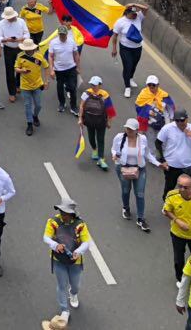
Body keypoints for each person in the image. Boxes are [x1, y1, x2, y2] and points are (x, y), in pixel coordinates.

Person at [43, 198, 92, 326]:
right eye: (61, 211)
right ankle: (64, 310)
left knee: (75, 285)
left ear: (71, 213)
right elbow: (46, 237)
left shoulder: (80, 225)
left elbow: (87, 242)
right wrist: (55, 245)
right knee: (61, 285)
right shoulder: (53, 222)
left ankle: (73, 293)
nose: (63, 215)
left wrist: (78, 252)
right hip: (58, 259)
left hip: (75, 261)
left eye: (65, 212)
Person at [112, 118, 156, 232]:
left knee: (140, 193)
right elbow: (114, 149)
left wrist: (158, 163)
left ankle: (140, 219)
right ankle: (126, 207)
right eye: (127, 128)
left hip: (139, 169)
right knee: (126, 190)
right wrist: (115, 155)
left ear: (137, 130)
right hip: (123, 168)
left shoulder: (143, 139)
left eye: (131, 129)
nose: (128, 131)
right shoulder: (119, 137)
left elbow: (147, 154)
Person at [159, 110, 191, 200]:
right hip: (171, 166)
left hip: (188, 167)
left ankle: (185, 208)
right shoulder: (168, 128)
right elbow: (158, 143)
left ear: (187, 119)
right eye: (177, 120)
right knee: (169, 189)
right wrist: (162, 160)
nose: (179, 123)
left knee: (187, 190)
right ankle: (167, 207)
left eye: (182, 120)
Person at [109, 2, 149, 97]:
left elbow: (146, 8)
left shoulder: (139, 17)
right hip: (125, 48)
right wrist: (114, 49)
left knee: (134, 65)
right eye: (132, 14)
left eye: (135, 13)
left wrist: (135, 4)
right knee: (128, 66)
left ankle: (130, 78)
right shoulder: (120, 22)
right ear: (127, 13)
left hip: (137, 48)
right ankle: (127, 87)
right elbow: (115, 36)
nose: (135, 15)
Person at [13, 38, 49, 136]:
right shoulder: (20, 56)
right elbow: (16, 68)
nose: (28, 50)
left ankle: (35, 116)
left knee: (38, 105)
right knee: (27, 105)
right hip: (25, 86)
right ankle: (29, 124)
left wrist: (46, 81)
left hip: (37, 84)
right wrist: (22, 71)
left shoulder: (39, 56)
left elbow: (46, 67)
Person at [78, 75, 114, 169]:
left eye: (95, 85)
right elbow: (82, 106)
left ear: (100, 85)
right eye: (92, 84)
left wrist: (109, 121)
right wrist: (80, 119)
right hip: (89, 120)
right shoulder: (86, 93)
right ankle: (94, 149)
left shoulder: (105, 95)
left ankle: (101, 158)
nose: (93, 86)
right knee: (91, 137)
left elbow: (110, 109)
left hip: (101, 121)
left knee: (100, 139)